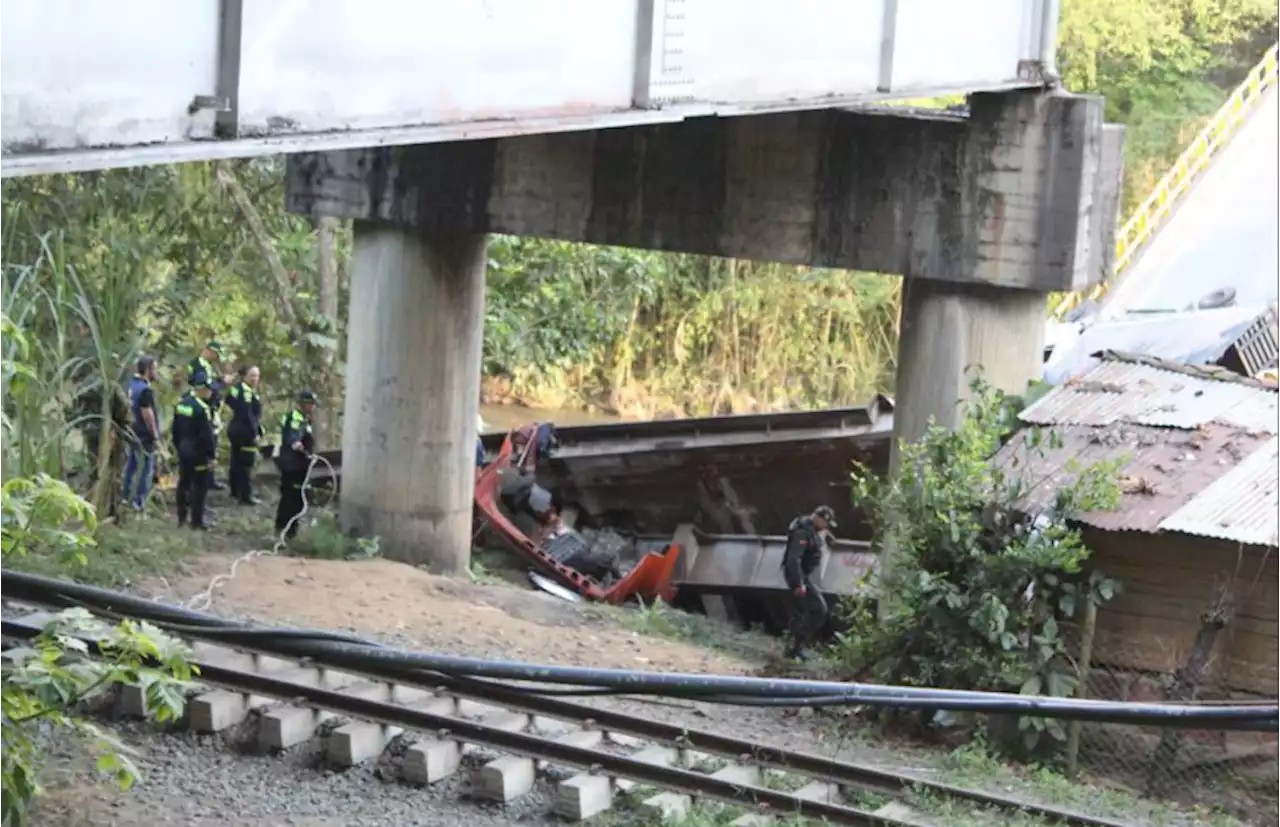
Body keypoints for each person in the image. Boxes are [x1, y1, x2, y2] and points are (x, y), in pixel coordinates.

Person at [781, 505, 837, 661]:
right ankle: (796, 647)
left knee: (801, 612)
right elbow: (794, 559)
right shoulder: (803, 532)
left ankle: (794, 648)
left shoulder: (810, 527)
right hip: (797, 576)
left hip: (802, 576)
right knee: (819, 609)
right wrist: (799, 583)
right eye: (826, 524)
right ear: (819, 519)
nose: (826, 528)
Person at [171, 371, 217, 530]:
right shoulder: (202, 408)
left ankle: (181, 518)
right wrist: (211, 455)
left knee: (183, 483)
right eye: (209, 389)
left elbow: (175, 429)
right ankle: (196, 522)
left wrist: (178, 446)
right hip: (199, 453)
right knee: (199, 487)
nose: (211, 392)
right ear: (202, 389)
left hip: (183, 449)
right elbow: (206, 435)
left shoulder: (182, 404)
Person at [187, 341, 232, 491]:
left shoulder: (209, 366)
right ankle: (200, 482)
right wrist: (222, 382)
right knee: (205, 443)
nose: (216, 357)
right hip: (202, 410)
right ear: (206, 350)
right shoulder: (197, 366)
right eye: (214, 353)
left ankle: (210, 479)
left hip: (212, 409)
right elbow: (203, 386)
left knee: (213, 442)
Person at [275, 389, 317, 540]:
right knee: (292, 498)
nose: (313, 407)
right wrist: (297, 443)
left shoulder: (305, 419)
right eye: (310, 404)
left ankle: (285, 528)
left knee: (292, 496)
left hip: (299, 465)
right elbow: (293, 435)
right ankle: (288, 531)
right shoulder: (296, 417)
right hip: (293, 466)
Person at [122, 356, 161, 511]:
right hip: (144, 435)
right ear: (147, 370)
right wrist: (155, 435)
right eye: (155, 368)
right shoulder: (145, 390)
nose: (156, 372)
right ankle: (138, 502)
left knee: (131, 466)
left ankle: (126, 497)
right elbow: (148, 414)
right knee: (145, 470)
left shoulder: (131, 385)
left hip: (132, 431)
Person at [224, 364, 264, 505]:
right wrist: (255, 433)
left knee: (236, 460)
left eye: (257, 375)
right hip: (244, 431)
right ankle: (245, 495)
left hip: (235, 428)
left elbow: (229, 400)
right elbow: (247, 415)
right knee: (246, 462)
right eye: (252, 375)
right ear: (244, 376)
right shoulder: (246, 392)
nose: (255, 378)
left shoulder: (237, 388)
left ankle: (235, 490)